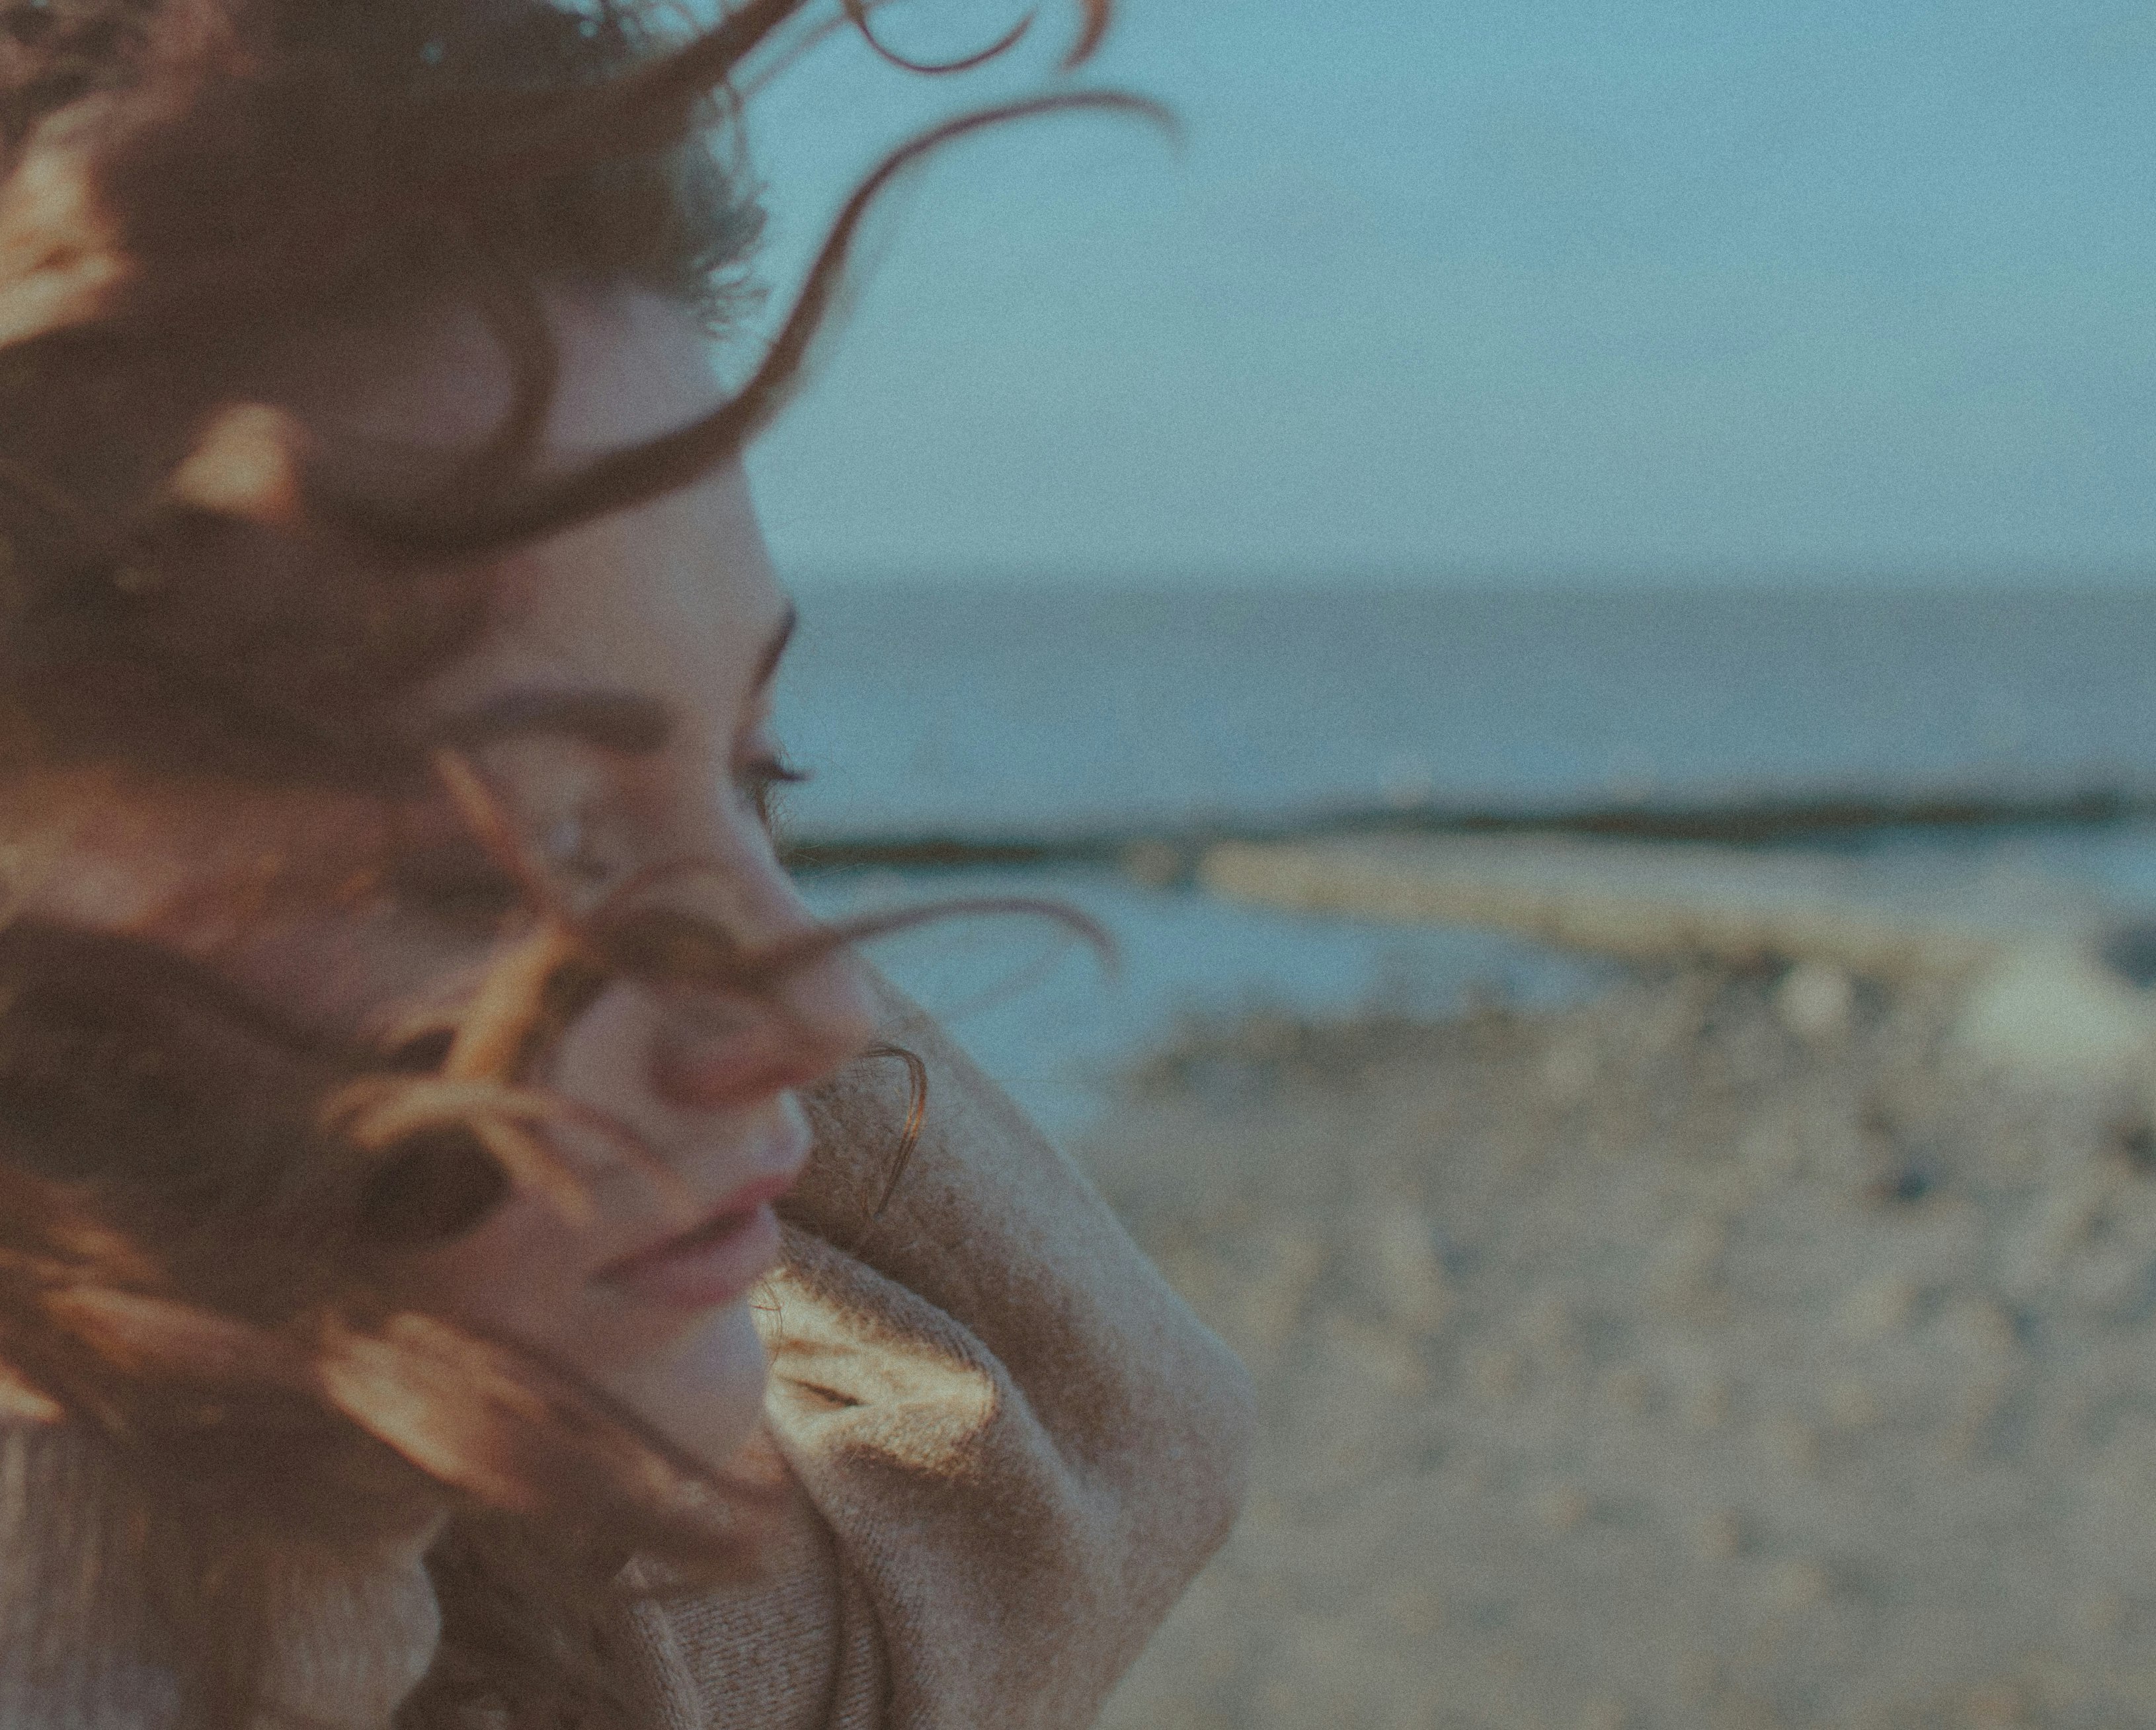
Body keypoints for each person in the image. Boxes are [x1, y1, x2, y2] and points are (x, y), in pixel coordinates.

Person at [0, 1, 1254, 1725]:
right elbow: (1096, 1435)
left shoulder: (478, 1637)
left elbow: (1083, 1445)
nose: (821, 1013)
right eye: (494, 865)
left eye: (768, 775)